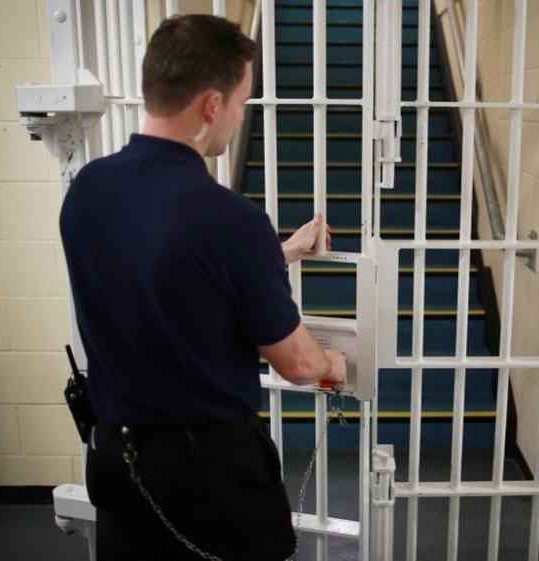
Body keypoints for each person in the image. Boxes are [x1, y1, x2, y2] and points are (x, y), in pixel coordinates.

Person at [59, 14, 346, 561]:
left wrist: (278, 252)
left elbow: (161, 268)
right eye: (241, 101)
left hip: (116, 461)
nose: (239, 117)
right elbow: (298, 364)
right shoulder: (230, 220)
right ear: (212, 105)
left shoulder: (88, 190)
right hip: (207, 475)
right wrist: (336, 364)